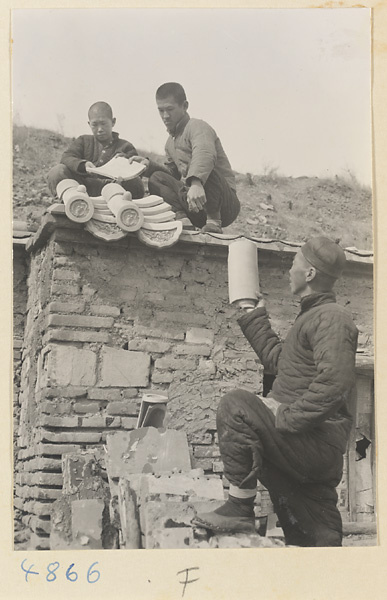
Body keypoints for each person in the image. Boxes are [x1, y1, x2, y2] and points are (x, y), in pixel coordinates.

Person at [193, 236, 359, 547]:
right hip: (312, 451)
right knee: (318, 545)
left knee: (236, 405)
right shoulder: (313, 316)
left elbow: (335, 383)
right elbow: (281, 364)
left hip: (312, 442)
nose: (289, 272)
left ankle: (240, 505)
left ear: (309, 274)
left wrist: (285, 416)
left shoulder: (332, 318)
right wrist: (254, 316)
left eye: (294, 264)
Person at [129, 82, 240, 234]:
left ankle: (214, 222)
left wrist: (196, 182)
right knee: (156, 178)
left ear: (185, 106)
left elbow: (205, 153)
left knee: (208, 170)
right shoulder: (170, 143)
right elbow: (171, 175)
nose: (165, 116)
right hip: (195, 204)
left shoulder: (198, 126)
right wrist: (148, 166)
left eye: (170, 109)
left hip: (224, 205)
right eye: (161, 110)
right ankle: (182, 220)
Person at [47, 101, 144, 199]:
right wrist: (83, 165)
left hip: (115, 188)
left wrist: (124, 162)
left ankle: (123, 206)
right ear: (89, 124)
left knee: (135, 181)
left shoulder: (125, 146)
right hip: (81, 187)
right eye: (95, 125)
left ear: (113, 122)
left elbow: (136, 171)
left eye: (103, 123)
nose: (100, 129)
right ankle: (70, 201)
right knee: (57, 171)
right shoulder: (83, 140)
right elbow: (66, 157)